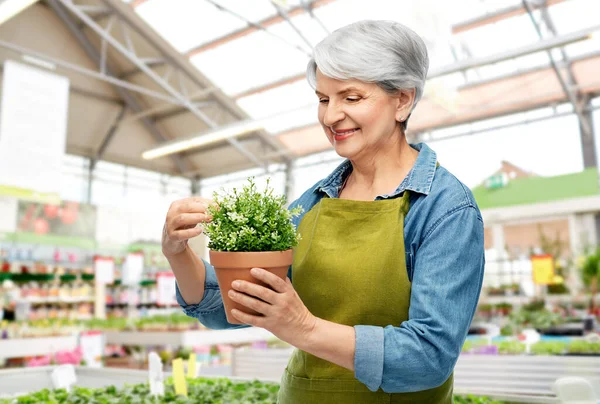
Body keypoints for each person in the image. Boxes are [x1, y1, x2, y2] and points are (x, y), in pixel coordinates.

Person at [162, 20, 485, 404]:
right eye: (323, 99)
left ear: (403, 100)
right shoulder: (312, 203)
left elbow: (429, 356)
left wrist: (304, 328)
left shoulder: (444, 209)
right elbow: (232, 307)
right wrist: (178, 252)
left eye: (350, 98)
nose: (331, 116)